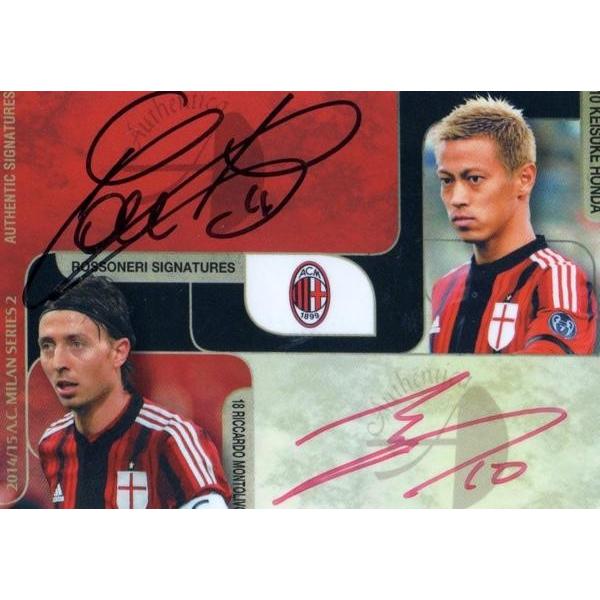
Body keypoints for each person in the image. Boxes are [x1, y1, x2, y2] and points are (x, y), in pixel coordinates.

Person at [37, 275, 231, 508]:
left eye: (77, 344)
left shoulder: (170, 438)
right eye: (47, 346)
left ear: (119, 352)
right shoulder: (52, 443)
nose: (58, 362)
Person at [428, 96, 597, 354]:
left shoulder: (558, 277)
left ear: (524, 179)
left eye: (474, 178)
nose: (457, 198)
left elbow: (548, 374)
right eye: (447, 180)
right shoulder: (445, 286)